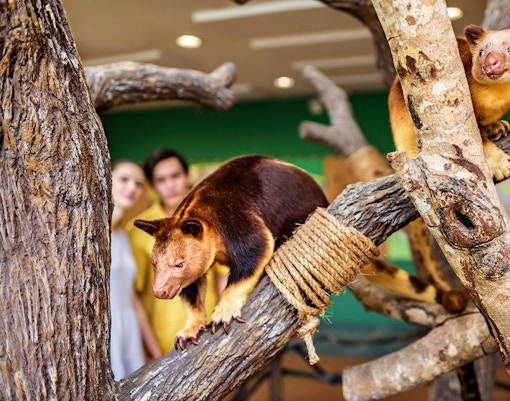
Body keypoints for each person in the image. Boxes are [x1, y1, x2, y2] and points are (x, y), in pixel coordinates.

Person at [127, 148, 229, 354]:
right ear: (153, 186)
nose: (170, 185)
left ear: (187, 176)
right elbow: (133, 296)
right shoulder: (139, 230)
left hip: (207, 332)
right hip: (161, 340)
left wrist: (223, 328)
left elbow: (223, 277)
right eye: (161, 180)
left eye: (175, 176)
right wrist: (148, 349)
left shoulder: (209, 222)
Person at [110, 160, 162, 379]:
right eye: (124, 179)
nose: (132, 188)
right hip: (106, 330)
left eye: (139, 183)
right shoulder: (88, 236)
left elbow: (131, 298)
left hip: (128, 329)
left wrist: (156, 352)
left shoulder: (122, 237)